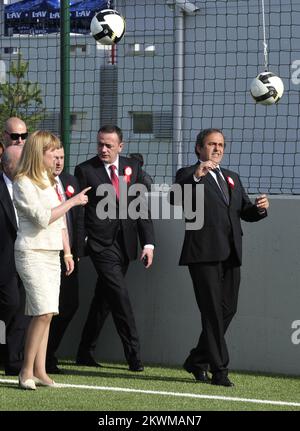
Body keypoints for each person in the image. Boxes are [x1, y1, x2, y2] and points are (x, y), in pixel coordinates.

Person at [171, 128, 269, 387]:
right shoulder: (187, 175)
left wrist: (258, 209)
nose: (217, 149)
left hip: (231, 254)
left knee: (228, 310)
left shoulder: (231, 177)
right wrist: (195, 177)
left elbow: (243, 211)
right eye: (211, 144)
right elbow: (174, 197)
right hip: (203, 254)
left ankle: (196, 360)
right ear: (199, 148)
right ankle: (220, 370)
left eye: (221, 145)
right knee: (212, 313)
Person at [13, 130, 90, 390]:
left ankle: (40, 371)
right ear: (39, 153)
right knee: (43, 311)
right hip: (31, 253)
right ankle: (25, 371)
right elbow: (42, 217)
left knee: (48, 313)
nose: (57, 158)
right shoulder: (23, 181)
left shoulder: (50, 181)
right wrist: (73, 202)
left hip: (51, 254)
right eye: (52, 152)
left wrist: (67, 252)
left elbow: (59, 226)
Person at [75, 124, 155, 372]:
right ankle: (134, 356)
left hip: (125, 244)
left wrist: (148, 243)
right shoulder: (85, 170)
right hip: (101, 246)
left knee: (105, 299)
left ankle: (84, 352)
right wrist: (84, 243)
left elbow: (140, 208)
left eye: (109, 145)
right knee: (120, 297)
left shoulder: (133, 167)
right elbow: (78, 211)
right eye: (100, 143)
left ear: (120, 146)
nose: (103, 149)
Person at [46, 146, 84, 374]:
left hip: (68, 255)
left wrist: (76, 251)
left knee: (70, 305)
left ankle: (49, 353)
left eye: (61, 157)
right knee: (45, 309)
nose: (59, 162)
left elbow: (78, 219)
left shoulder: (70, 180)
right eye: (55, 157)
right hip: (46, 253)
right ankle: (40, 358)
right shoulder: (39, 183)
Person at [0, 146, 30, 376]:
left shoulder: (30, 186)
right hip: (4, 259)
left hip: (27, 257)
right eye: (18, 163)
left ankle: (12, 359)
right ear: (6, 165)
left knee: (22, 309)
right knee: (9, 304)